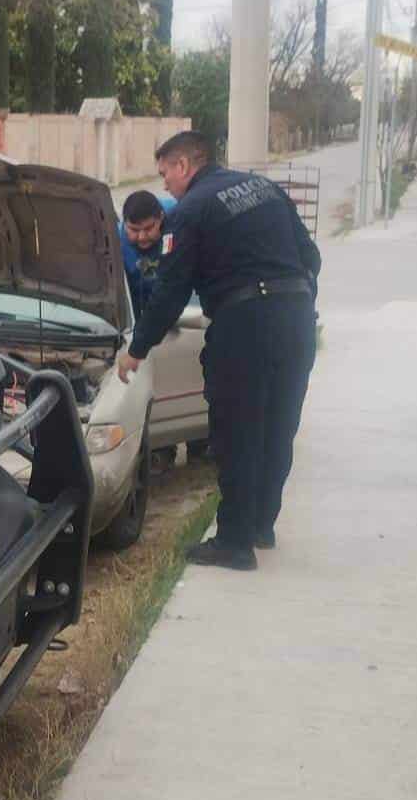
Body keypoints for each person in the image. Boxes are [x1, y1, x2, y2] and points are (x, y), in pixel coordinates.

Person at [117, 130, 321, 571]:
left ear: (185, 166)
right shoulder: (266, 189)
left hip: (245, 325)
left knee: (236, 432)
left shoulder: (191, 210)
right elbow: (312, 256)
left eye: (166, 172)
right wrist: (300, 300)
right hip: (297, 319)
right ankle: (261, 526)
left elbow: (171, 290)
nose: (165, 184)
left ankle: (234, 542)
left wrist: (137, 348)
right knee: (278, 426)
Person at [119, 189, 177, 318]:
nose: (142, 237)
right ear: (125, 222)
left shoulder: (179, 217)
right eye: (134, 230)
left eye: (149, 228)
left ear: (161, 218)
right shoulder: (113, 241)